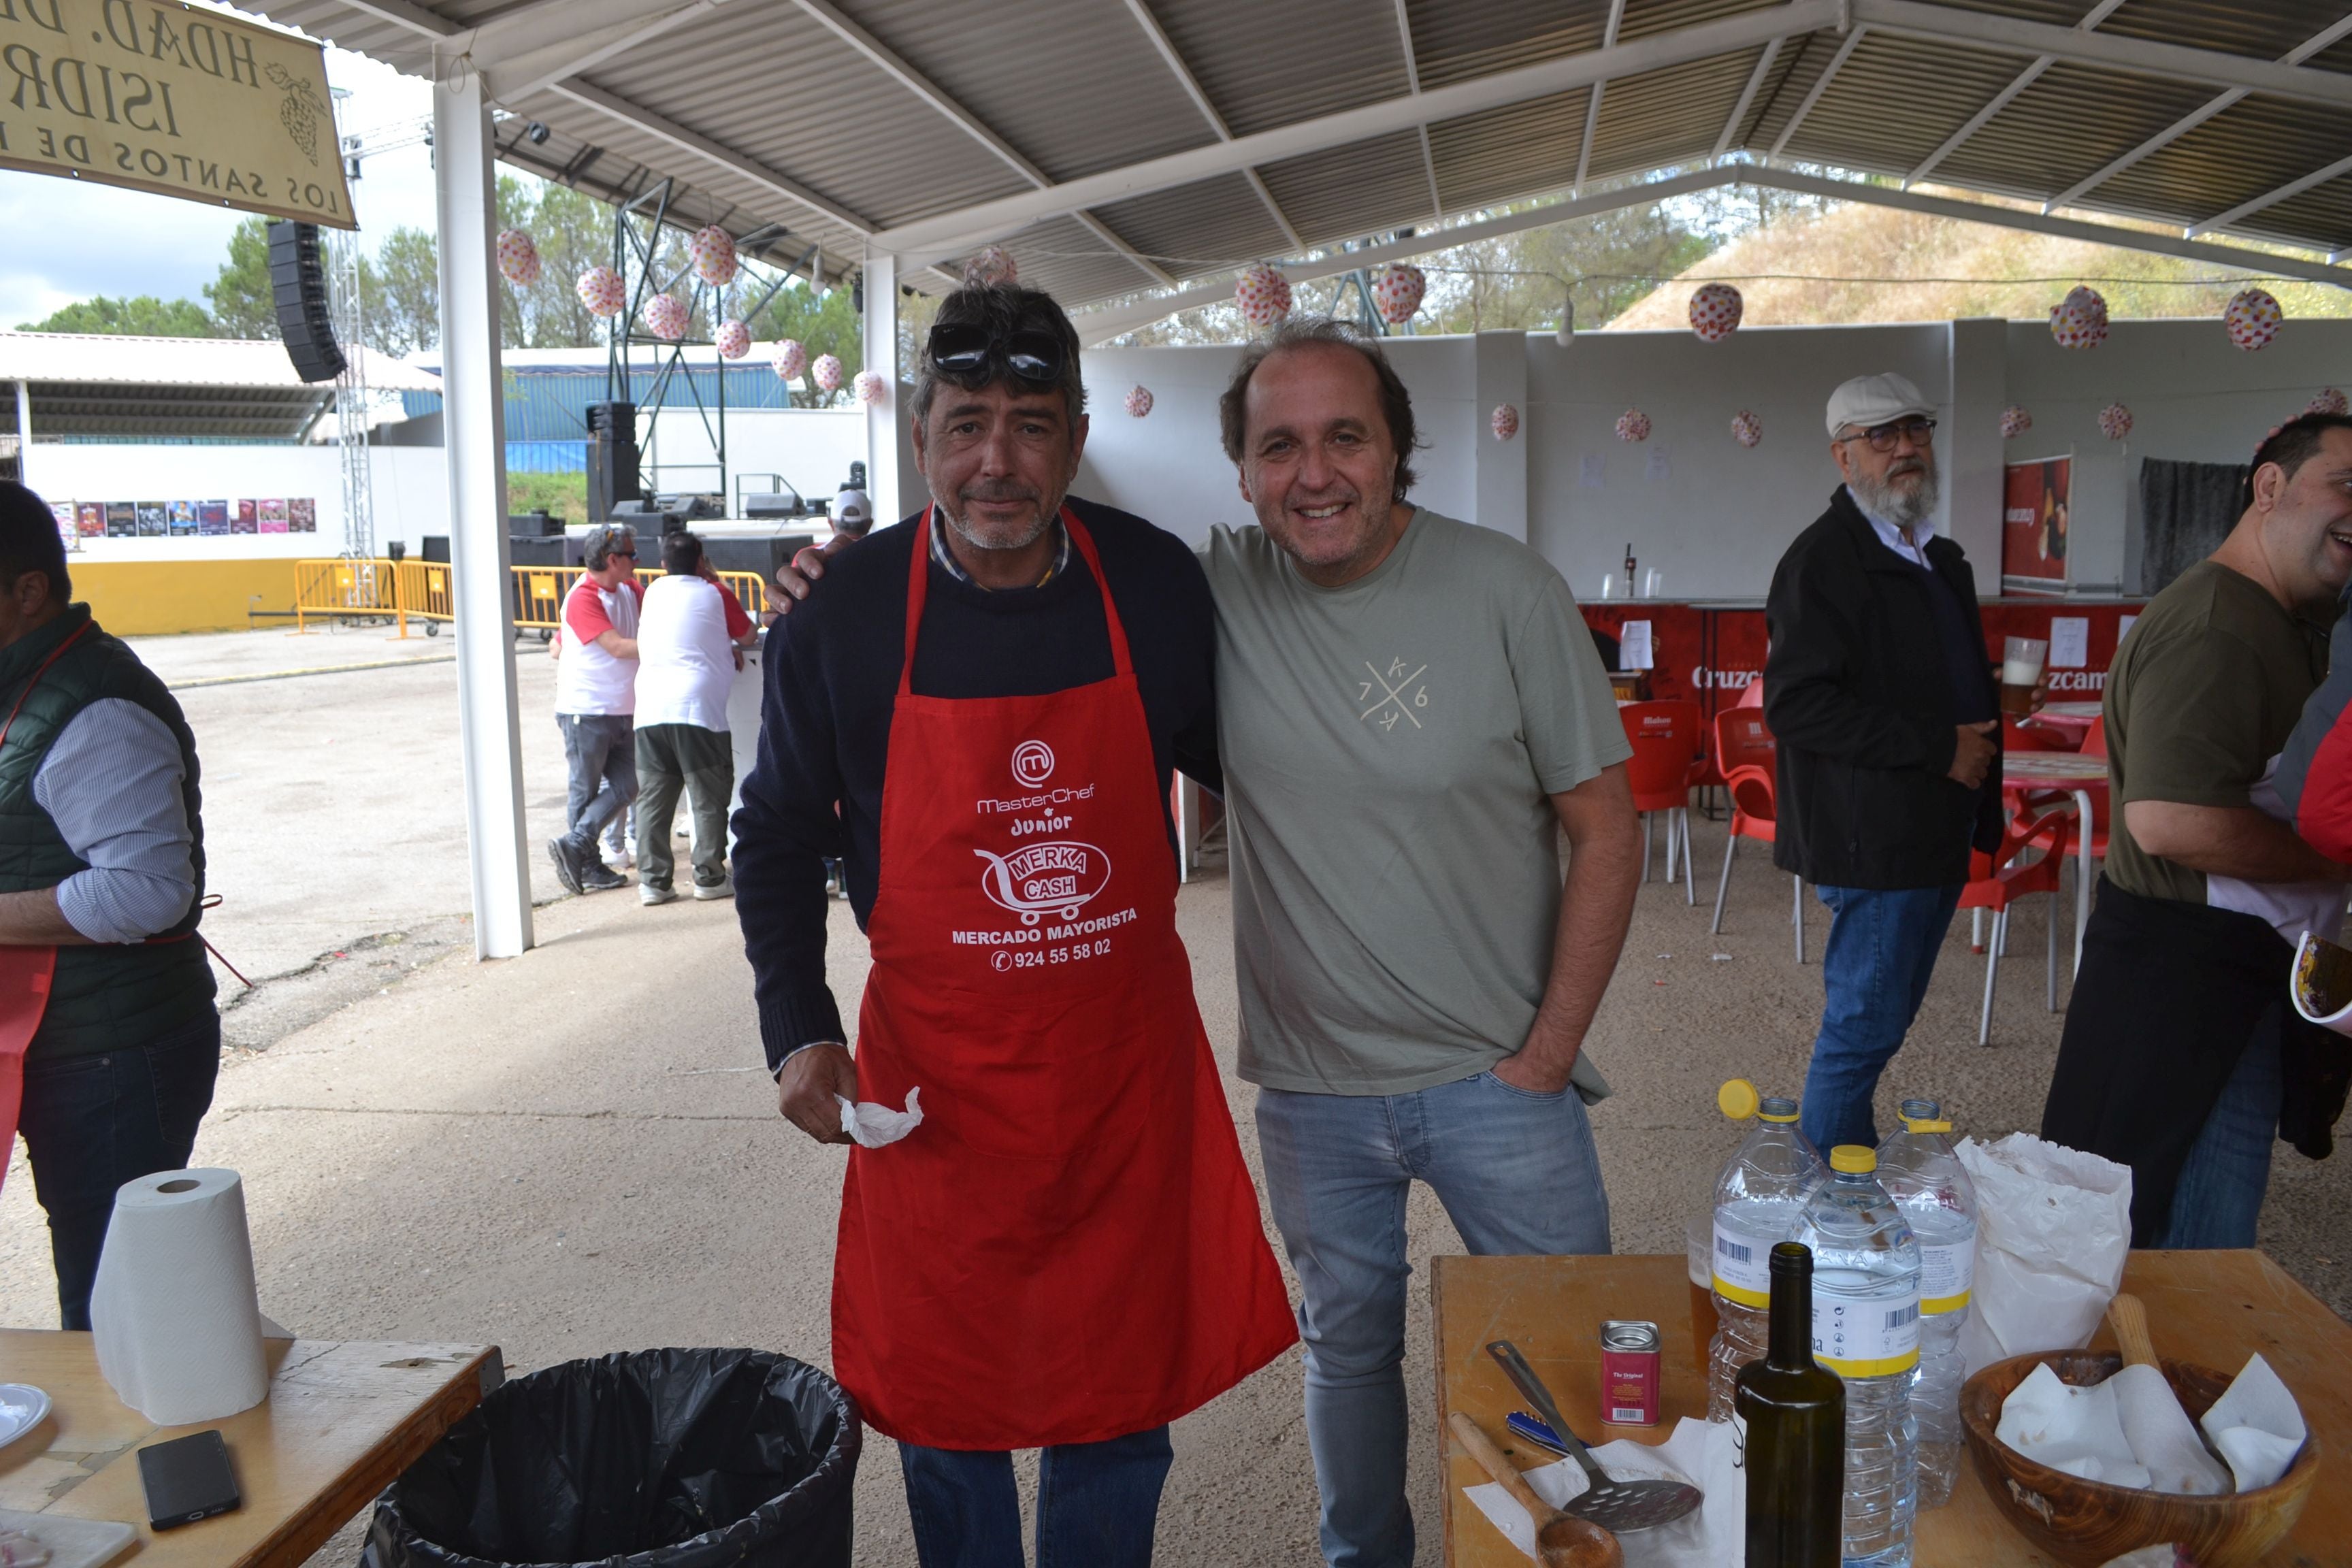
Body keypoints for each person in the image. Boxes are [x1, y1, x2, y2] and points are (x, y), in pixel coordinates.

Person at [773, 317, 1645, 1568]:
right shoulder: (916, 605)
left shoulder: (1417, 587)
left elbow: (1599, 825)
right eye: (1279, 443)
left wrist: (1551, 1048)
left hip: (1352, 1072)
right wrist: (795, 1018)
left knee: (1546, 1353)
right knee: (1002, 1390)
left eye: (1346, 435)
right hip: (1136, 1085)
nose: (1315, 472)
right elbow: (783, 823)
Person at [734, 278, 1294, 1568]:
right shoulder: (848, 613)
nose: (999, 458)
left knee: (1119, 1391)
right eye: (969, 419)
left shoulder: (1151, 583)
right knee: (947, 1401)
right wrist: (797, 1025)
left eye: (1033, 423)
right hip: (938, 1079)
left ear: (1078, 434)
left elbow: (1254, 757)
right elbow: (771, 832)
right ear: (921, 429)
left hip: (1117, 1067)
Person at [2044, 413, 2352, 1247]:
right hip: (2183, 989)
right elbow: (2170, 820)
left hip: (2228, 975)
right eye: (2346, 485)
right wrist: (2330, 863)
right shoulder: (2218, 624)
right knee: (2184, 1249)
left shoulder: (2281, 621)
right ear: (2270, 487)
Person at [1765, 372, 2005, 1154]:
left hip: (1931, 826)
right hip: (1876, 838)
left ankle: (1841, 1175)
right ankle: (1825, 1199)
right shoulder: (1823, 561)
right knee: (1863, 1029)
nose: (1905, 448)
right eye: (1882, 436)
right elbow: (1796, 705)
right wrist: (1941, 747)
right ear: (1844, 457)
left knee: (1882, 1022)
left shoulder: (1938, 556)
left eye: (1916, 430)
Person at [0, 482, 217, 1328]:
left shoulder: (96, 708)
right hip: (56, 1045)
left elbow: (150, 891)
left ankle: (158, 1458)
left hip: (114, 1058)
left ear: (28, 591)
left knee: (119, 1312)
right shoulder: (25, 685)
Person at [632, 530, 757, 906]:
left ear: (663, 564)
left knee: (654, 801)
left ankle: (654, 883)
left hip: (650, 707)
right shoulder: (714, 592)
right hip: (698, 709)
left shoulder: (652, 592)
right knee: (706, 798)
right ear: (702, 560)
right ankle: (709, 877)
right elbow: (749, 634)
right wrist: (728, 646)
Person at [548, 523, 642, 895]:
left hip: (621, 709)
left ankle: (576, 844)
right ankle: (587, 864)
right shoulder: (584, 596)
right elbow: (617, 647)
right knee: (584, 791)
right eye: (632, 555)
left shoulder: (628, 589)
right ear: (613, 559)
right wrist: (675, 645)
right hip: (586, 710)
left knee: (629, 784)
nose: (638, 561)